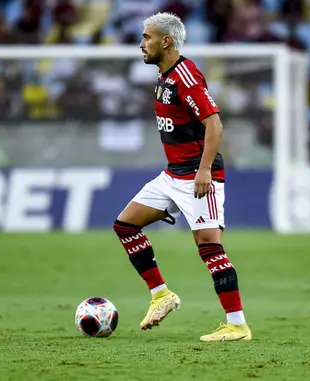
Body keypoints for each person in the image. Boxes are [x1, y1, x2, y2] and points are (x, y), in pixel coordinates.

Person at [112, 12, 251, 342]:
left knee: (209, 246)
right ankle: (161, 295)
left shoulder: (186, 76)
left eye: (147, 37)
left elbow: (214, 124)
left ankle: (237, 325)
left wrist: (203, 172)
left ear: (166, 41)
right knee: (126, 224)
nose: (141, 43)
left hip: (199, 178)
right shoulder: (164, 76)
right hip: (173, 176)